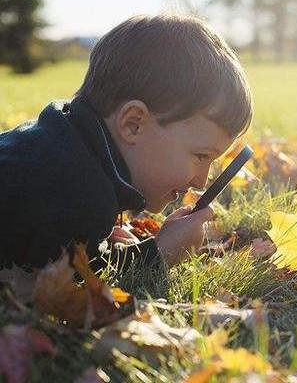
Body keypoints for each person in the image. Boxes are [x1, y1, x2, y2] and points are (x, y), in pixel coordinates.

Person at [0, 14, 252, 270]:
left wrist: (98, 239)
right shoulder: (78, 192)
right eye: (200, 156)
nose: (201, 181)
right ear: (133, 124)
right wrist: (160, 253)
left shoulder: (62, 142)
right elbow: (70, 284)